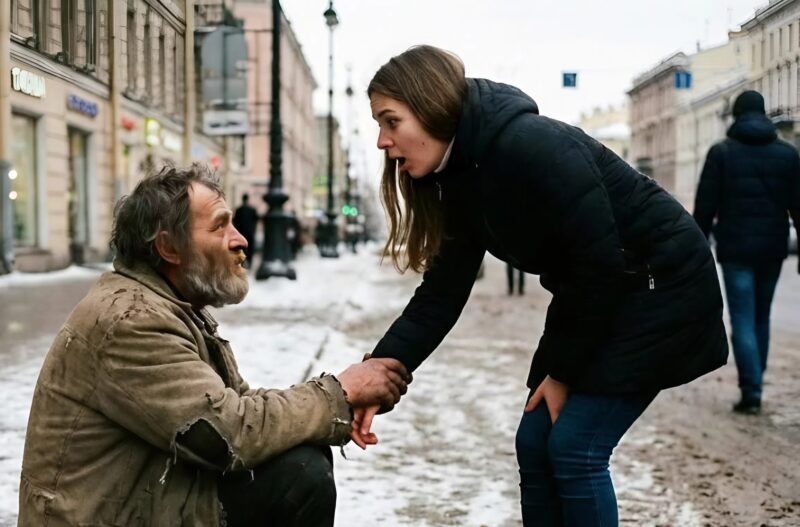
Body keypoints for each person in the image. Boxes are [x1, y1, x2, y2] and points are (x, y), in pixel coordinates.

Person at [357, 45, 728, 527]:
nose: (383, 141)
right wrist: (383, 368)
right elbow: (442, 293)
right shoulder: (460, 175)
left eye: (391, 122)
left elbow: (599, 265)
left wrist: (564, 371)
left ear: (430, 104)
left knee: (575, 447)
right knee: (535, 440)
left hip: (661, 288)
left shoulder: (530, 145)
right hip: (600, 296)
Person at [18, 165, 410, 527]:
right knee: (298, 476)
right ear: (169, 248)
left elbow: (234, 406)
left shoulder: (169, 305)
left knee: (298, 455)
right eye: (220, 227)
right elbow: (231, 433)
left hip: (139, 499)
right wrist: (339, 394)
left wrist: (332, 404)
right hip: (102, 515)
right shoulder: (132, 321)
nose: (240, 240)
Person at [693, 90, 800, 415]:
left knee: (741, 318)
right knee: (761, 317)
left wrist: (696, 248)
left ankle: (750, 390)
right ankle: (755, 383)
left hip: (735, 247)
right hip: (772, 246)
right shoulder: (787, 154)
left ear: (736, 116)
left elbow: (705, 207)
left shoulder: (722, 153)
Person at [232, 192, 258, 267]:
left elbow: (235, 221)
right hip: (250, 232)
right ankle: (249, 262)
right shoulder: (252, 209)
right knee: (250, 248)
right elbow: (256, 220)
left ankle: (242, 262)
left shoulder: (239, 210)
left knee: (241, 248)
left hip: (241, 233)